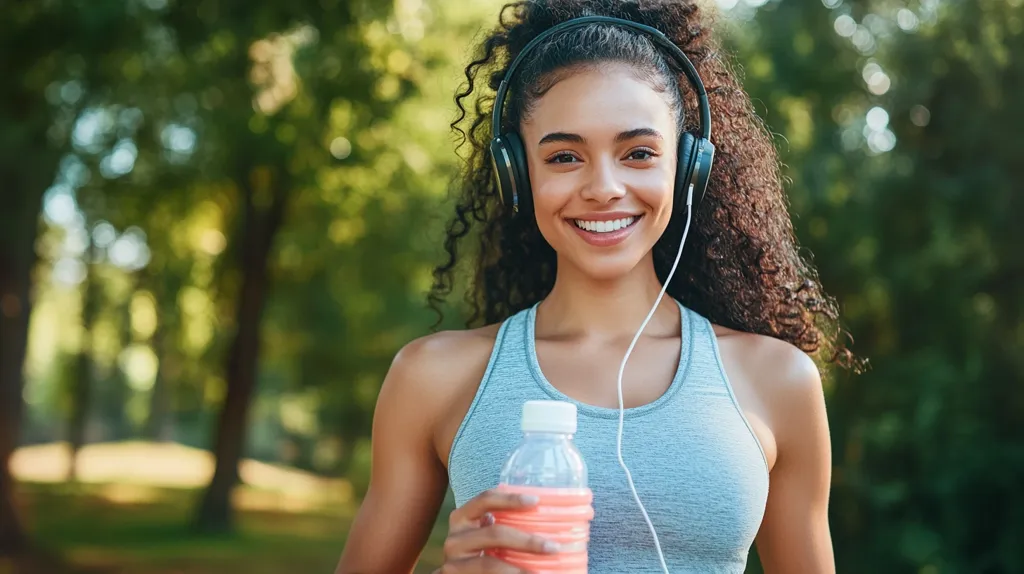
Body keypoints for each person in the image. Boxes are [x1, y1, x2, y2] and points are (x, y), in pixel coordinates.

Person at [336, 0, 860, 572]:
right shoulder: (432, 378)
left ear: (687, 166)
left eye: (638, 152)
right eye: (564, 156)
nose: (604, 187)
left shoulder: (778, 380)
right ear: (518, 173)